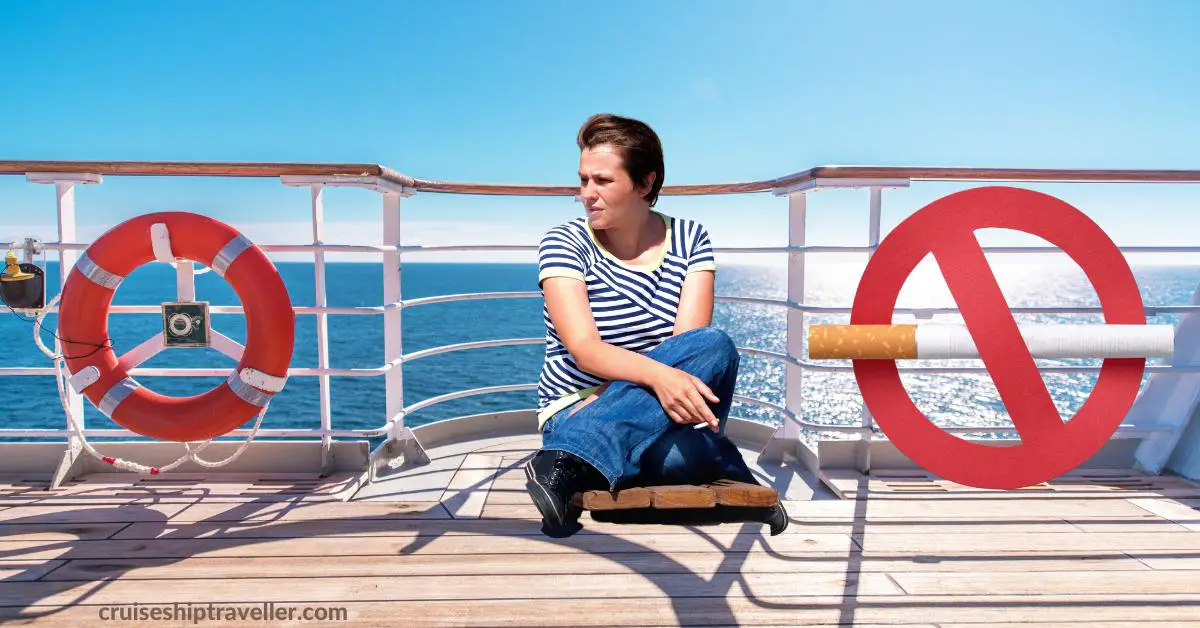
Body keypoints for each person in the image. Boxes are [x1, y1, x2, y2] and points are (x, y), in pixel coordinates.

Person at [524, 113, 789, 537]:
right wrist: (658, 375)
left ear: (645, 184)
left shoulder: (690, 239)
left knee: (715, 346)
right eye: (583, 180)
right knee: (686, 457)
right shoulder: (564, 242)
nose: (587, 195)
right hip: (578, 406)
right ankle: (594, 454)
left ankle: (575, 464)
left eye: (603, 181)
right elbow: (584, 349)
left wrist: (655, 384)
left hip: (656, 410)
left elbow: (690, 347)